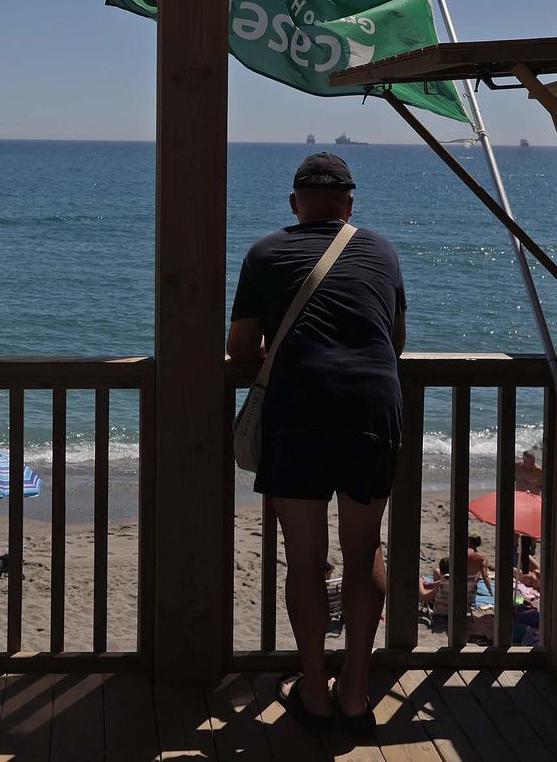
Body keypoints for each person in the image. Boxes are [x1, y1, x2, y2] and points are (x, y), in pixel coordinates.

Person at [227, 152, 406, 733]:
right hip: (371, 405)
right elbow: (396, 340)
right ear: (350, 206)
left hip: (299, 407)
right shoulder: (380, 250)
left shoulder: (266, 252)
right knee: (364, 549)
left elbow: (240, 349)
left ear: (294, 205)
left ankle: (314, 686)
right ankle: (355, 686)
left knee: (306, 559)